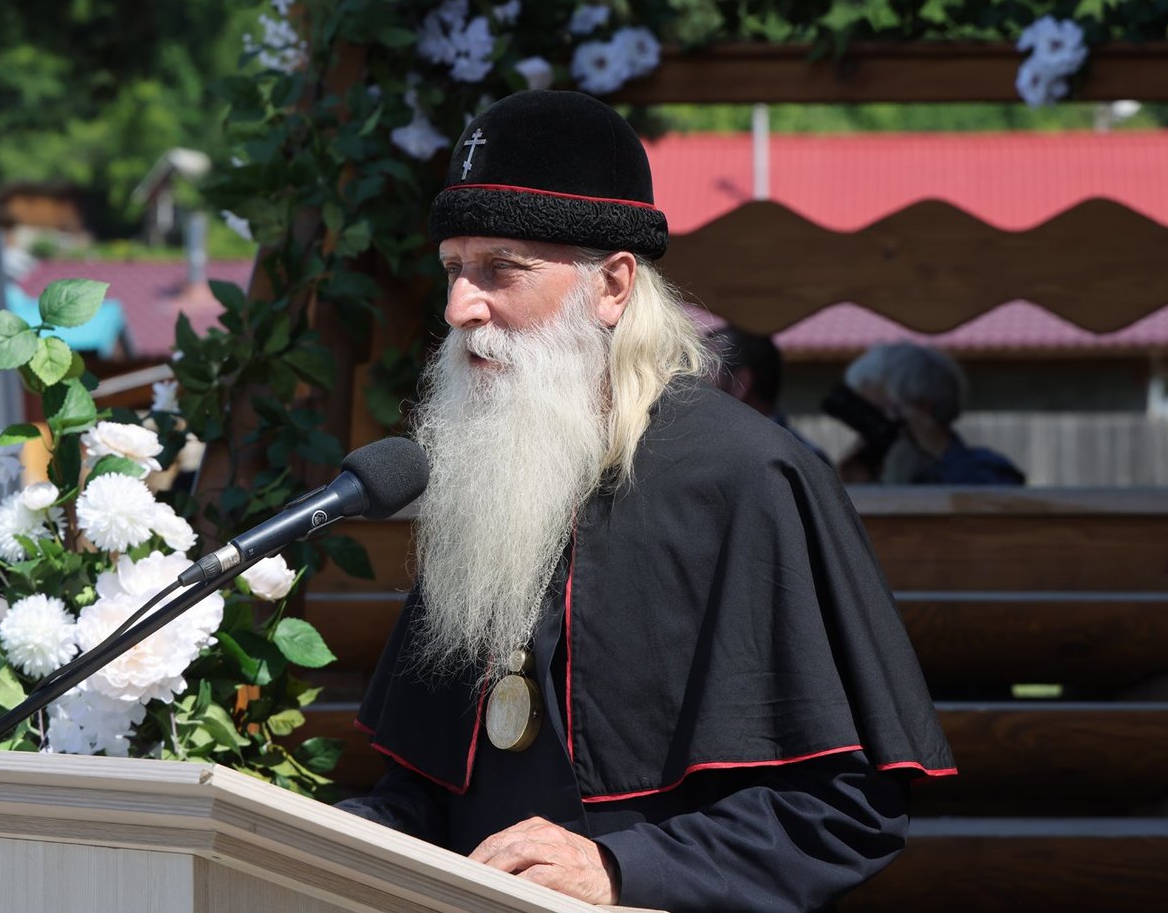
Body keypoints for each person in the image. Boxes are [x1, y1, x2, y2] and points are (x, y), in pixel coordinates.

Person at [336, 90, 954, 913]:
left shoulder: (748, 476)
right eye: (453, 269)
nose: (459, 309)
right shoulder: (482, 473)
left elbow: (842, 814)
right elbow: (429, 784)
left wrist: (621, 869)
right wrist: (353, 831)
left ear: (614, 285)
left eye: (501, 270)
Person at [835, 341, 1026, 486]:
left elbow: (1005, 505)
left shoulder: (986, 471)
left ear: (921, 410)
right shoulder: (868, 473)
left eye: (875, 412)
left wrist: (945, 454)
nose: (867, 427)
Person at [710, 325, 830, 463]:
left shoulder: (801, 462)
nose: (691, 384)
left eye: (704, 372)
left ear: (740, 384)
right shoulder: (808, 459)